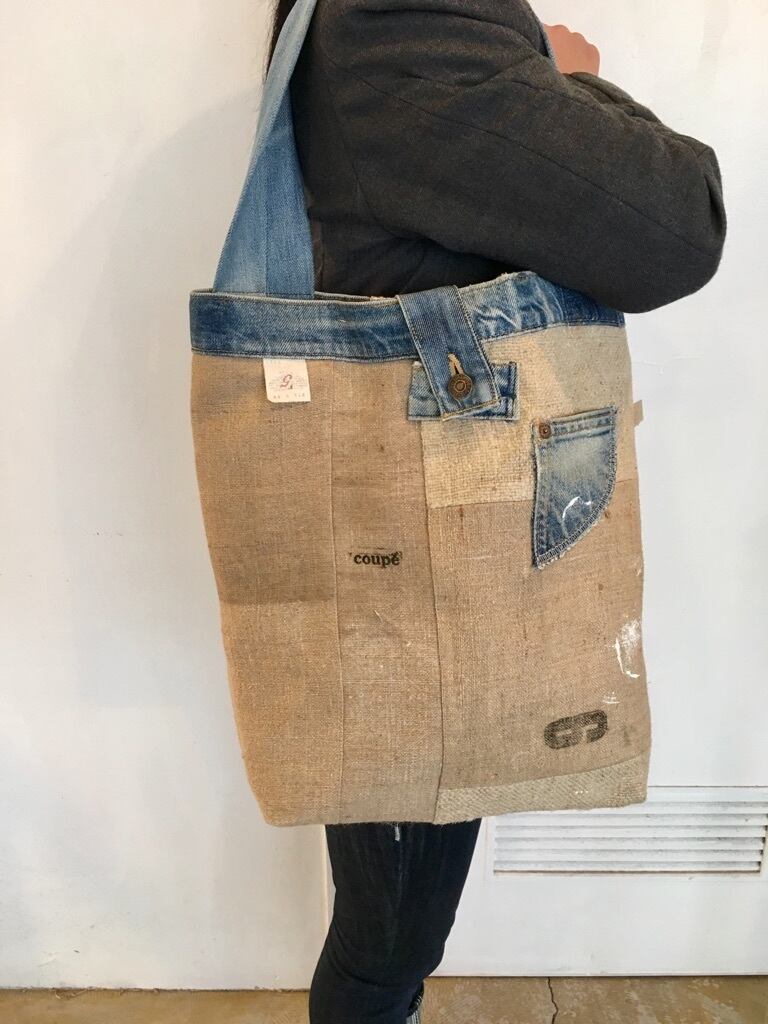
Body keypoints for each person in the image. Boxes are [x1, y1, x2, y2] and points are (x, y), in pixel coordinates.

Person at [259, 2, 727, 1022]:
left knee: (394, 911)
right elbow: (676, 225)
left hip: (417, 503)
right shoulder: (404, 14)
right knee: (390, 936)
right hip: (427, 522)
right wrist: (570, 78)